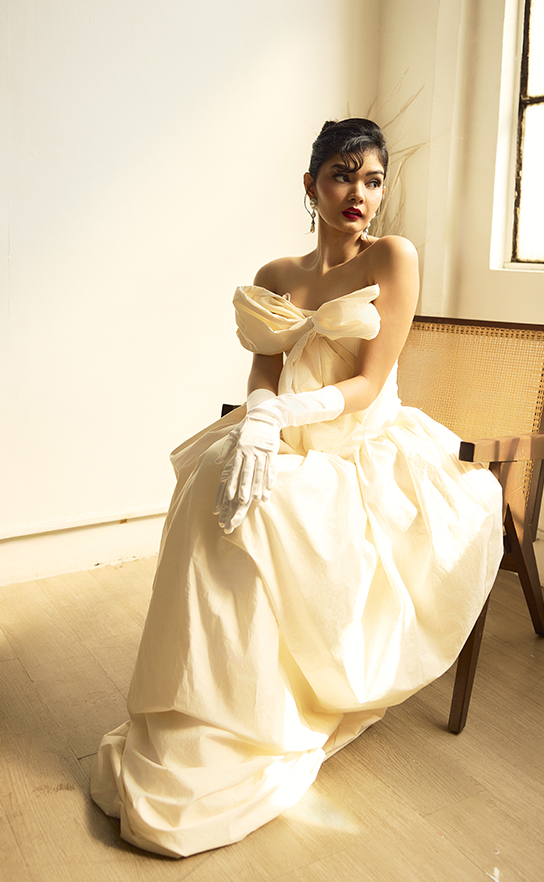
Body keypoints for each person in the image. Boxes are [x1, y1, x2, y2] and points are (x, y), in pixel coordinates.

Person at [91, 118, 503, 858]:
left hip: (361, 446)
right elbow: (263, 369)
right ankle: (196, 711)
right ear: (311, 184)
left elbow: (370, 382)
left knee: (261, 507)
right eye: (343, 175)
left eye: (373, 180)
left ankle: (261, 717)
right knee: (212, 482)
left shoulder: (394, 257)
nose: (359, 194)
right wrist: (258, 416)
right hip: (283, 436)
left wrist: (280, 414)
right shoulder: (278, 274)